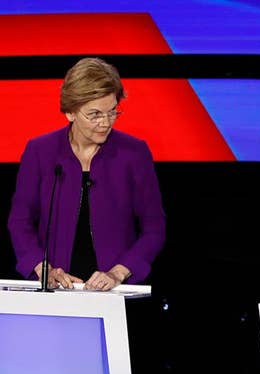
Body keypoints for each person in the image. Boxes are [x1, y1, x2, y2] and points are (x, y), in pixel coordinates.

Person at [7, 57, 166, 290]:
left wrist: (118, 273)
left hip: (114, 292)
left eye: (112, 112)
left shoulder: (134, 153)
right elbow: (20, 221)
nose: (105, 123)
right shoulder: (40, 151)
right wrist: (42, 268)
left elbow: (154, 228)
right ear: (70, 112)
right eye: (95, 115)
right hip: (54, 290)